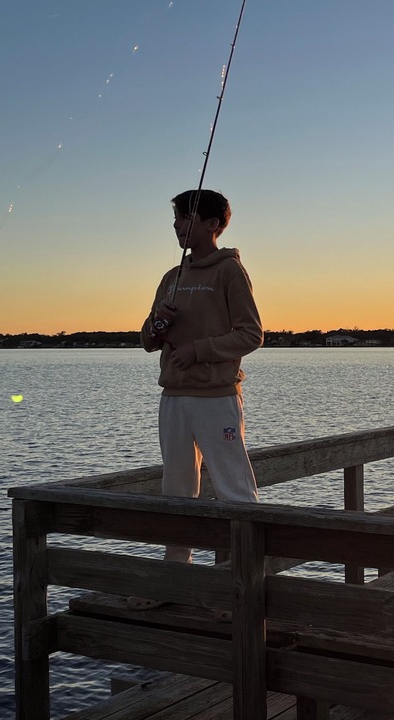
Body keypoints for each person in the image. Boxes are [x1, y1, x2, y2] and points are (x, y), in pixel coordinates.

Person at [140, 188, 262, 565]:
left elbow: (251, 333)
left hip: (217, 398)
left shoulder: (230, 271)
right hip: (174, 397)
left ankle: (240, 580)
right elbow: (146, 340)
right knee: (176, 490)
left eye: (185, 217)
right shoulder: (172, 276)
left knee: (233, 489)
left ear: (213, 224)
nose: (177, 225)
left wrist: (198, 350)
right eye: (176, 218)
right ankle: (176, 577)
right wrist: (159, 321)